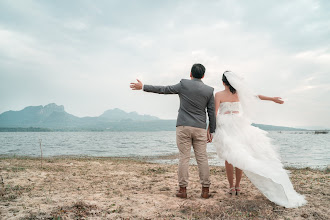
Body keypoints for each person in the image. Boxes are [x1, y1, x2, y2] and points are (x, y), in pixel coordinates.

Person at [211, 71, 306, 208]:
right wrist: (273, 99)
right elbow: (257, 96)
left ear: (223, 82)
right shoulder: (239, 93)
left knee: (229, 157)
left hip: (226, 125)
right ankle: (237, 186)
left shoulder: (219, 95)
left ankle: (232, 187)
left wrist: (211, 128)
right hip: (239, 125)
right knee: (240, 155)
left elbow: (214, 113)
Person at [130, 64, 216, 199]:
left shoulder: (183, 84)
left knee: (184, 157)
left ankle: (183, 190)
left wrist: (144, 87)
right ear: (203, 76)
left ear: (190, 74)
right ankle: (205, 191)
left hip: (183, 126)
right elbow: (211, 112)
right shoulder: (209, 90)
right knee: (202, 158)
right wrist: (212, 131)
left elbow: (164, 89)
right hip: (200, 128)